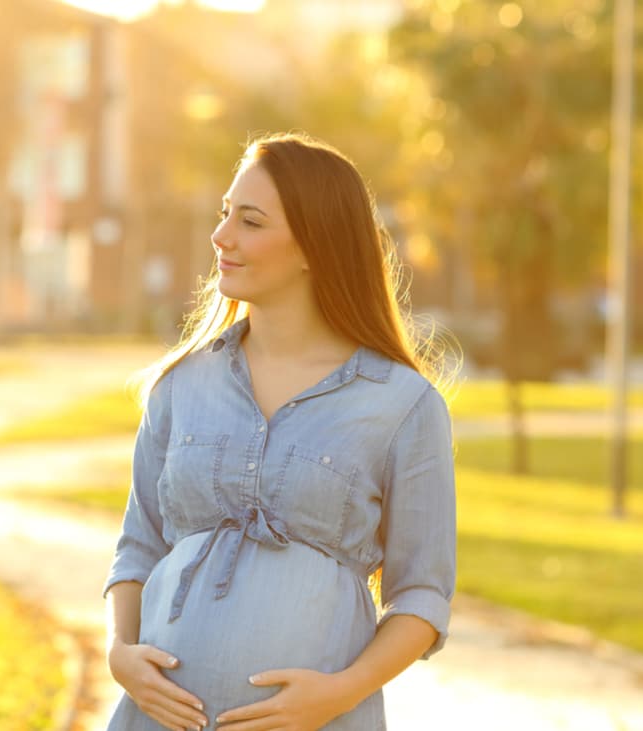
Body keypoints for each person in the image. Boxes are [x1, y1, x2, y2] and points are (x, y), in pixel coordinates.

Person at [103, 132, 457, 730]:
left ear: (313, 246)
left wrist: (338, 694)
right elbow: (137, 549)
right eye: (224, 215)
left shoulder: (403, 405)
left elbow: (421, 598)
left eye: (250, 221)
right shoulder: (181, 384)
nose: (221, 237)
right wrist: (121, 656)